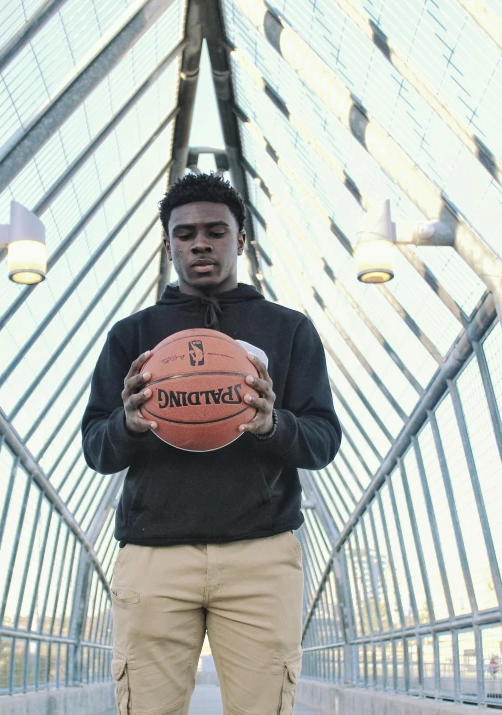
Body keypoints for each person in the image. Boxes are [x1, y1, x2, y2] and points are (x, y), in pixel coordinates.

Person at [81, 173, 341, 715]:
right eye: (186, 233)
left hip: (261, 553)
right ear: (168, 243)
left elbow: (322, 441)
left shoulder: (289, 330)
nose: (201, 242)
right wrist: (128, 422)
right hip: (153, 556)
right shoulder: (131, 336)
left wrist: (273, 424)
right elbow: (96, 450)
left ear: (241, 239)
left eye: (216, 231)